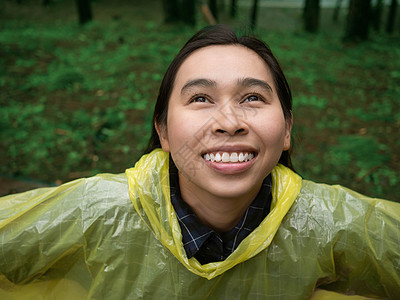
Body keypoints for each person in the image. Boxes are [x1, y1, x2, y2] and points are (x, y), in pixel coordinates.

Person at [0, 25, 399, 299]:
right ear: (164, 133)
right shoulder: (96, 211)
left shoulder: (329, 223)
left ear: (288, 130)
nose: (229, 123)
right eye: (200, 99)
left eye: (253, 98)